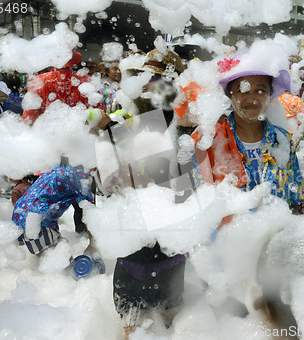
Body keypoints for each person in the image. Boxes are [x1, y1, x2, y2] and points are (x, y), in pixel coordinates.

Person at [103, 49, 190, 338]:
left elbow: (189, 184)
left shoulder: (184, 125)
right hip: (134, 239)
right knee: (133, 322)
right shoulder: (125, 119)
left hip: (171, 238)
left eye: (161, 78)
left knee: (174, 317)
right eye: (146, 77)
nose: (152, 85)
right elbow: (107, 179)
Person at [192, 54, 304, 211]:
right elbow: (197, 206)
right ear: (229, 94)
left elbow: (294, 200)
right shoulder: (209, 141)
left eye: (260, 90)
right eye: (242, 90)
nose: (251, 98)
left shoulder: (283, 139)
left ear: (270, 95)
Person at [12, 162, 94, 255]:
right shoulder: (80, 177)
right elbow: (89, 213)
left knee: (51, 261)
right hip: (37, 218)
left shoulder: (58, 166)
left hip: (21, 214)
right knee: (62, 264)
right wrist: (93, 245)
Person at [22, 51, 105, 125]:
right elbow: (100, 115)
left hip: (48, 137)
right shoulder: (87, 80)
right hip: (81, 137)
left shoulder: (39, 81)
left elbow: (29, 119)